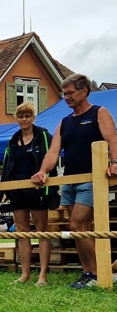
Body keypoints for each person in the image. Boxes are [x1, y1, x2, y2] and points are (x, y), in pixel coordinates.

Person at [32, 74, 117, 288]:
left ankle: (100, 273)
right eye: (64, 93)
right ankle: (88, 272)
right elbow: (53, 152)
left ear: (84, 91)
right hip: (69, 180)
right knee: (81, 228)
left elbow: (113, 139)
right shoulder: (64, 122)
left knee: (76, 224)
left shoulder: (99, 113)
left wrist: (115, 162)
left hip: (92, 178)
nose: (66, 97)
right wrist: (43, 171)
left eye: (70, 93)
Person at [0, 101, 56, 286]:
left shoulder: (43, 135)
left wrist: (45, 179)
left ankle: (42, 276)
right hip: (17, 189)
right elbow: (7, 166)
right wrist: (4, 189)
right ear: (16, 118)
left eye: (28, 116)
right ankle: (25, 274)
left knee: (41, 231)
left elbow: (51, 157)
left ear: (33, 117)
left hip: (38, 188)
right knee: (21, 231)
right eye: (21, 116)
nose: (24, 119)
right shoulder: (12, 140)